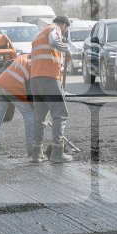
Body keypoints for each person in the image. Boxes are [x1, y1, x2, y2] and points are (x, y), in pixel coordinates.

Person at [29, 15, 72, 163]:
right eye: (65, 29)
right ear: (64, 25)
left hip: (35, 80)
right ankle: (57, 152)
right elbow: (54, 41)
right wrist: (67, 49)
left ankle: (37, 153)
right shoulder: (55, 29)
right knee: (60, 114)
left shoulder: (39, 35)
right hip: (49, 79)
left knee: (40, 118)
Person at [0, 54, 35, 157]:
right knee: (30, 116)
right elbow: (30, 89)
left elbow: (7, 63)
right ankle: (32, 150)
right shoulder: (34, 64)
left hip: (1, 84)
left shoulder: (23, 57)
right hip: (14, 88)